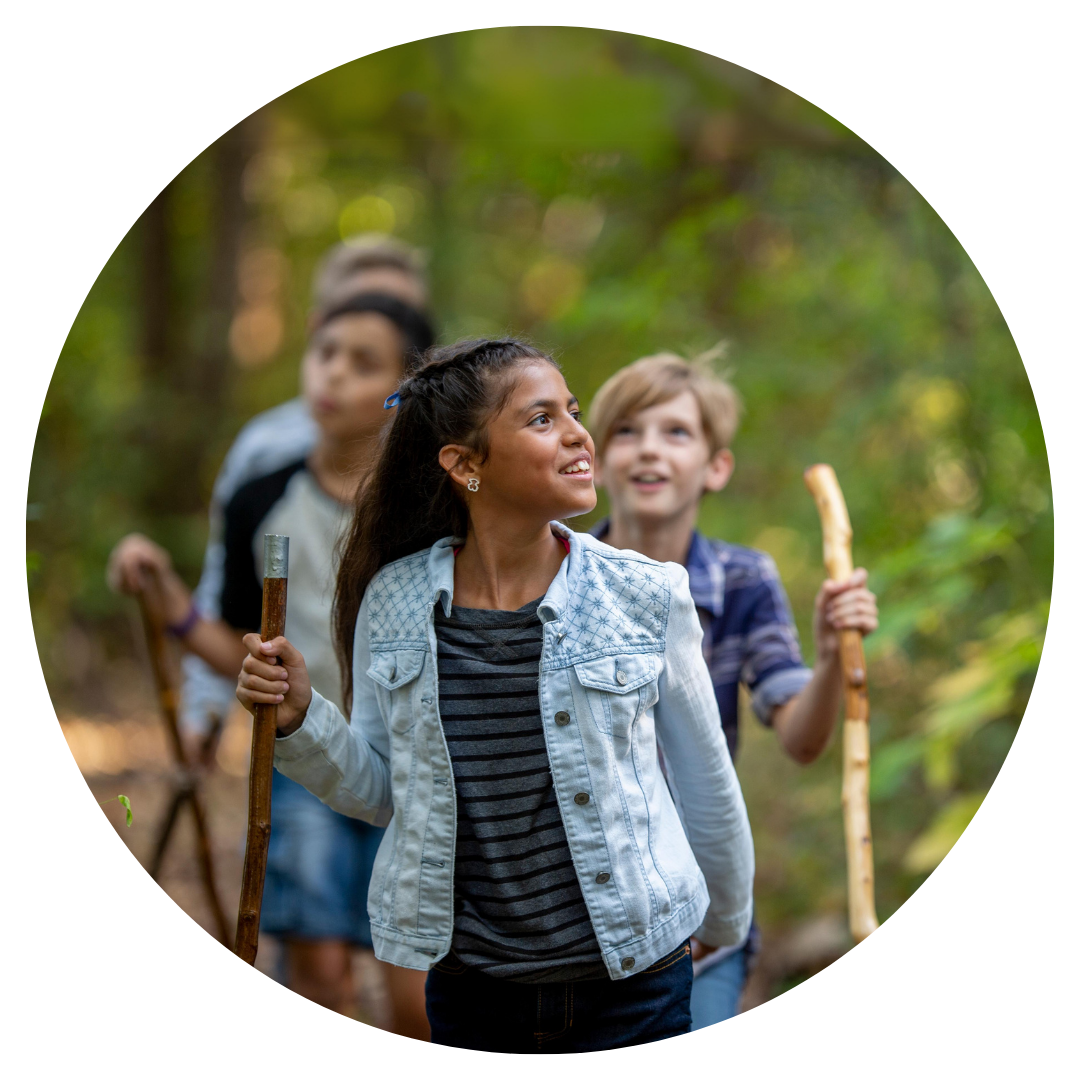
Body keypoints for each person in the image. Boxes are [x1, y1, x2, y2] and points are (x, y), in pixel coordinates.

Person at [235, 338, 756, 1053]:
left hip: (637, 981)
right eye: (542, 419)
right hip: (474, 991)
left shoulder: (644, 594)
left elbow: (707, 783)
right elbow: (385, 791)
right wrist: (301, 718)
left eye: (573, 412)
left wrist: (722, 930)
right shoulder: (397, 601)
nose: (579, 433)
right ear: (465, 463)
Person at [107, 287, 435, 1036]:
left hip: (419, 766)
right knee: (317, 974)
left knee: (415, 991)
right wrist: (171, 604)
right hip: (299, 763)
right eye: (324, 353)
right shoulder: (260, 498)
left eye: (363, 362)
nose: (333, 375)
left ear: (405, 387)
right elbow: (237, 642)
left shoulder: (433, 508)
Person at [586, 352, 879, 1029]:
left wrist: (834, 657)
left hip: (704, 914)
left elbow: (803, 739)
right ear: (596, 462)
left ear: (716, 467)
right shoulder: (556, 576)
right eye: (627, 432)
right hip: (588, 912)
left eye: (677, 433)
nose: (650, 450)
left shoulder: (745, 581)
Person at [181, 234, 431, 735]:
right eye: (330, 348)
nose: (336, 374)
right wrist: (203, 713)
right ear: (317, 328)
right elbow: (225, 597)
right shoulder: (263, 457)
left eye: (394, 313)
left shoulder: (437, 488)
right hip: (303, 740)